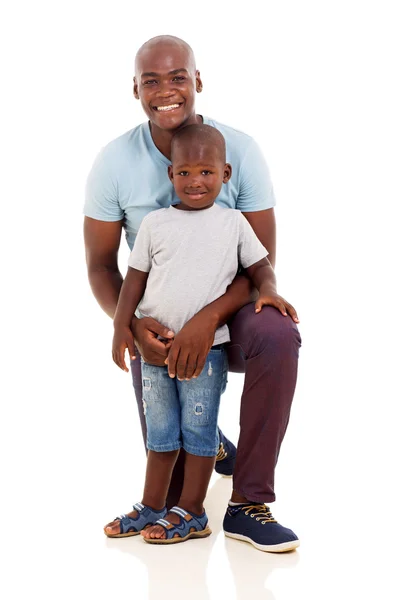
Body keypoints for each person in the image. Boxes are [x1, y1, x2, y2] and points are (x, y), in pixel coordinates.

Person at [84, 35, 302, 552]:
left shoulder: (238, 150)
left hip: (229, 302)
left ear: (197, 80)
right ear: (135, 88)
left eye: (177, 76)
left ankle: (249, 503)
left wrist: (208, 318)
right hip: (157, 315)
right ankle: (210, 459)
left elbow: (260, 263)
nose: (166, 90)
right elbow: (101, 265)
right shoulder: (115, 162)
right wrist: (132, 327)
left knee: (277, 335)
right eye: (151, 80)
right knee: (173, 458)